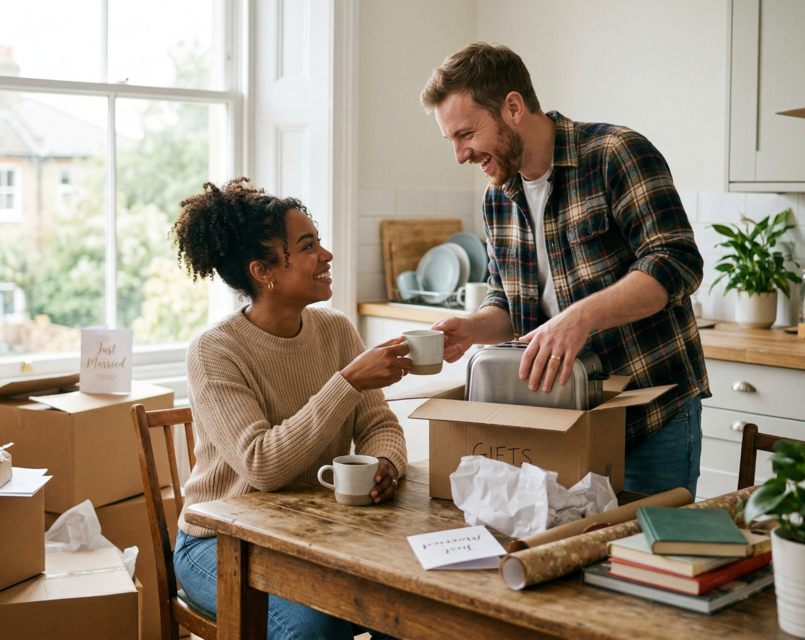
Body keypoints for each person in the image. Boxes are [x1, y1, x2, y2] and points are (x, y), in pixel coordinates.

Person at [421, 43, 709, 497]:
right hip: (558, 421)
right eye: (451, 140)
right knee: (566, 560)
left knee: (645, 563)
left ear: (513, 107)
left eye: (466, 134)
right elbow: (510, 304)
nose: (460, 154)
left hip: (650, 417)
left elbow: (676, 262)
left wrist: (581, 316)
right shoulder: (497, 199)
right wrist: (473, 328)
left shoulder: (615, 154)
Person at [170, 177, 408, 640]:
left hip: (312, 534)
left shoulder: (335, 330)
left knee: (407, 610)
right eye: (308, 246)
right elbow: (263, 466)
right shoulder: (214, 351)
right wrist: (348, 381)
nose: (327, 255)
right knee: (311, 630)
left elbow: (380, 423)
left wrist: (386, 463)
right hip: (219, 544)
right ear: (265, 271)